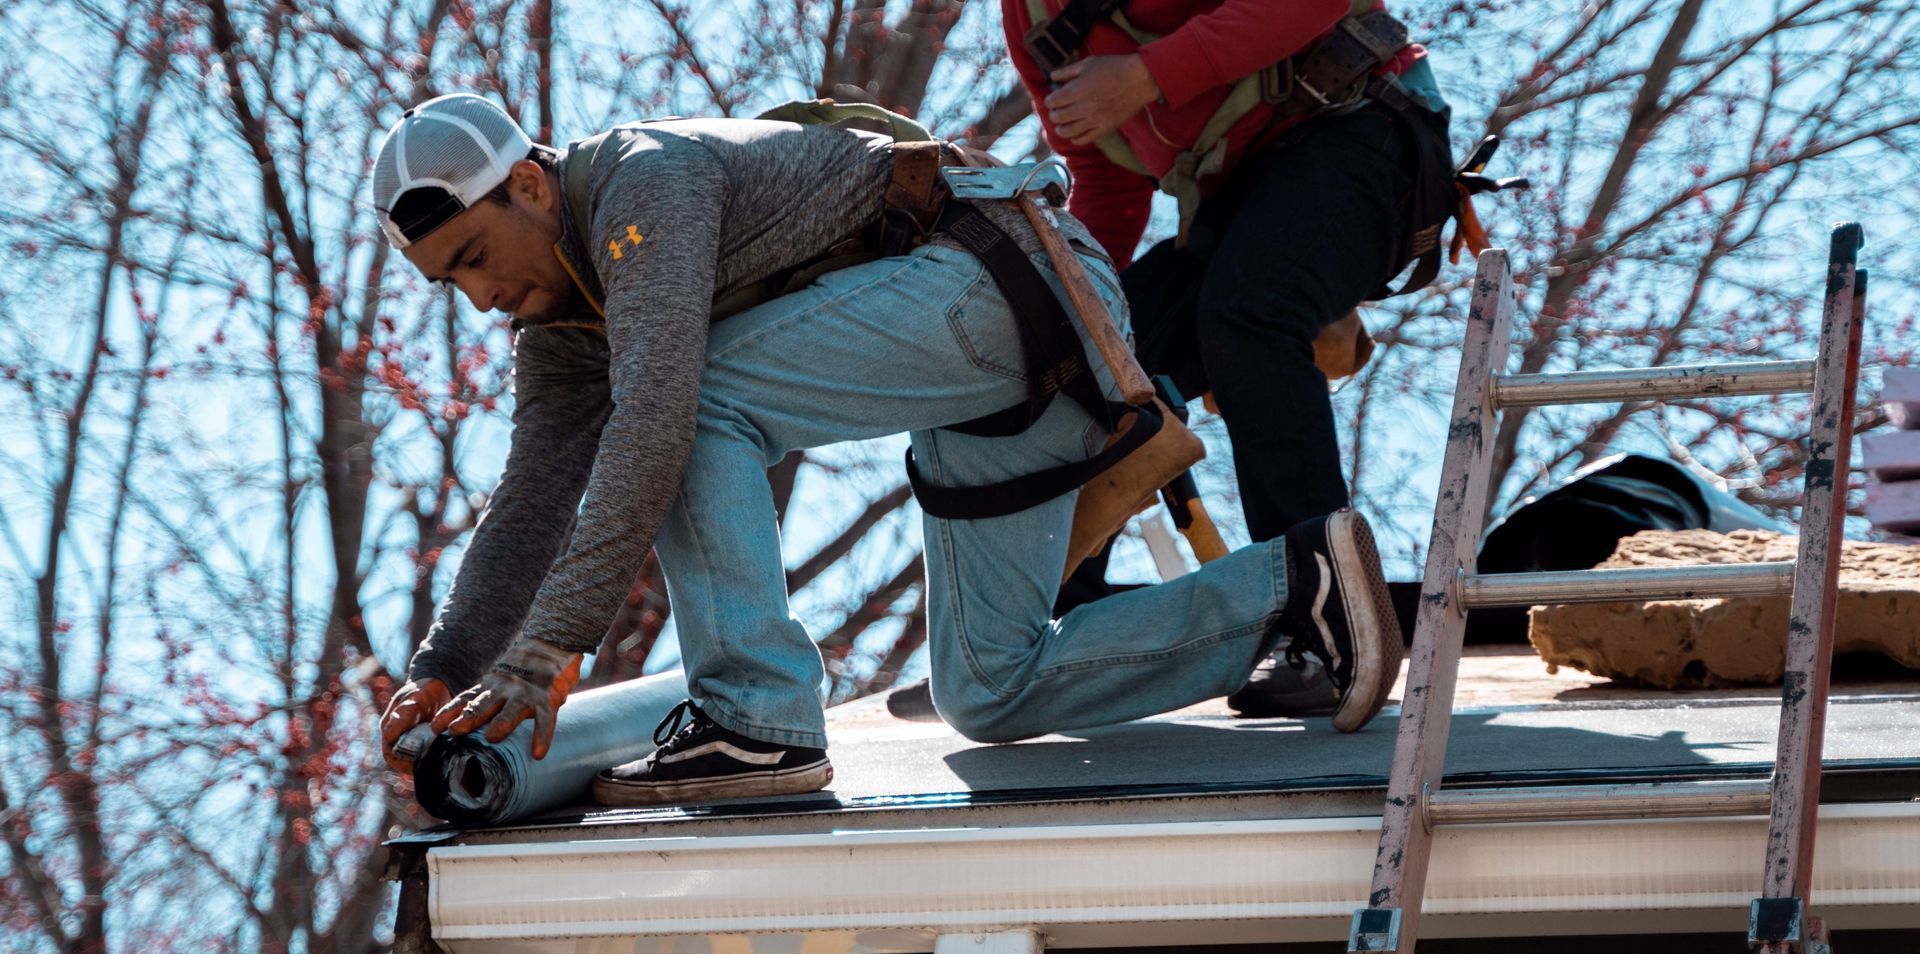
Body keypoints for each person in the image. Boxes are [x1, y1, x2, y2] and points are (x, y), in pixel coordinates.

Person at [372, 92, 1404, 805]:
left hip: (1004, 279)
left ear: (534, 189)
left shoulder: (643, 183)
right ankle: (1299, 583)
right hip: (1008, 360)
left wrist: (548, 648)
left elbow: (655, 421)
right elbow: (532, 495)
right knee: (988, 686)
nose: (478, 294)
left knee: (685, 394)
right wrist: (451, 663)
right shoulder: (561, 325)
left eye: (473, 255)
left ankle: (753, 714)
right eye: (447, 282)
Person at [1002, 0, 1453, 715]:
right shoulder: (1035, 22)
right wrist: (1080, 318)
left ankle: (1328, 623)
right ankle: (1033, 641)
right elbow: (1111, 183)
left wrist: (1146, 76)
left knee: (1249, 313)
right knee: (1095, 367)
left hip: (1359, 130)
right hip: (1240, 203)